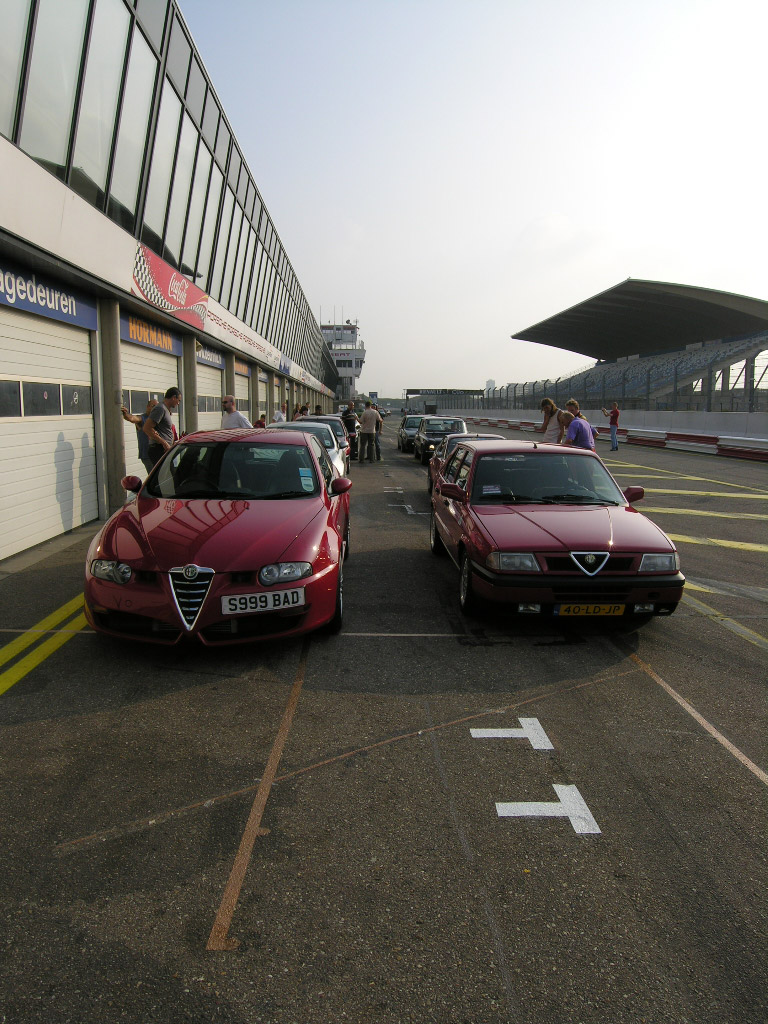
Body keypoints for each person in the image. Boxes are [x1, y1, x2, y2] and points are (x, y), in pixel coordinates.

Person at [143, 387, 182, 466]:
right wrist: (164, 443)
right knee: (164, 476)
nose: (178, 403)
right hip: (158, 449)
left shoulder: (166, 410)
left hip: (164, 449)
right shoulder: (160, 409)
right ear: (174, 398)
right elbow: (147, 428)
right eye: (179, 400)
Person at [121, 398, 157, 474]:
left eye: (156, 407)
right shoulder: (142, 418)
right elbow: (132, 418)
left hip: (156, 454)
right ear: (148, 407)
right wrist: (125, 414)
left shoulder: (156, 419)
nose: (155, 409)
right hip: (147, 455)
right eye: (153, 406)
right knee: (154, 477)